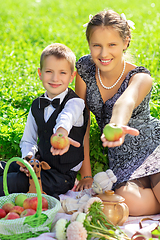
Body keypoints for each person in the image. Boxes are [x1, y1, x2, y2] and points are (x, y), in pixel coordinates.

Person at [75, 9, 160, 216]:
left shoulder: (140, 77)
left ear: (126, 42)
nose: (104, 54)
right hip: (123, 159)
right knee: (128, 201)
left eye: (112, 45)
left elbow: (126, 101)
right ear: (89, 45)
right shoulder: (84, 70)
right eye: (97, 46)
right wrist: (86, 175)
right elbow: (82, 121)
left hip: (154, 146)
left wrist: (116, 124)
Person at [0, 43, 88, 197]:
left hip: (60, 177)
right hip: (39, 165)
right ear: (40, 74)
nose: (55, 78)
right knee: (4, 167)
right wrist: (28, 159)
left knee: (9, 182)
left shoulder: (75, 103)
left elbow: (66, 117)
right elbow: (28, 140)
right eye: (49, 72)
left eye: (62, 73)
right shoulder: (37, 105)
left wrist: (61, 133)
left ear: (72, 76)